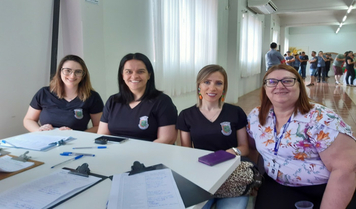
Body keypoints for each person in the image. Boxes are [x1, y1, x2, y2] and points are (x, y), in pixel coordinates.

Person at [247, 64, 356, 209]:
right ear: (265, 88)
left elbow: (345, 170)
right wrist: (254, 179)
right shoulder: (256, 116)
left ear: (300, 85)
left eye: (287, 81)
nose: (279, 86)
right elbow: (251, 148)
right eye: (272, 82)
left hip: (324, 187)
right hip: (277, 184)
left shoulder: (320, 118)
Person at [177, 65, 250, 209]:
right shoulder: (186, 115)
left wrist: (230, 152)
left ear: (224, 87)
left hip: (232, 174)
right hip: (202, 176)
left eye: (218, 83)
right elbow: (186, 152)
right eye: (207, 82)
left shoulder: (235, 112)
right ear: (199, 86)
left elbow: (245, 148)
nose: (212, 88)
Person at [97, 53, 177, 144]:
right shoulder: (112, 101)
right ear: (122, 75)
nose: (134, 76)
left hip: (149, 155)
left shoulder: (163, 102)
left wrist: (136, 154)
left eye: (140, 71)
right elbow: (103, 135)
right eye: (128, 72)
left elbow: (167, 139)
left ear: (149, 75)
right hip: (116, 154)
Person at [23, 55, 104, 132]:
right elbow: (29, 120)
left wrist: (76, 134)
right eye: (68, 71)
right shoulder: (43, 93)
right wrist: (39, 130)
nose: (72, 76)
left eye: (78, 72)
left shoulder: (92, 97)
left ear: (83, 75)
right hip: (46, 141)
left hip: (76, 143)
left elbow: (99, 126)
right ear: (60, 72)